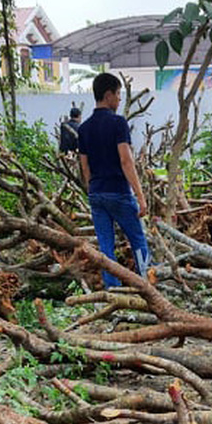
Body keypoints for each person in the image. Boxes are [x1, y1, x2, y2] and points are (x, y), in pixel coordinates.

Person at [77, 73, 150, 288]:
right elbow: (126, 161)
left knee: (106, 245)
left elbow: (85, 166)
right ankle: (146, 284)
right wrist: (140, 195)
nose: (119, 99)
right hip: (118, 191)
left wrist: (93, 190)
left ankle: (112, 290)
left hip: (97, 193)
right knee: (137, 240)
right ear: (108, 95)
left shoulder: (84, 128)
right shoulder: (118, 123)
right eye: (118, 94)